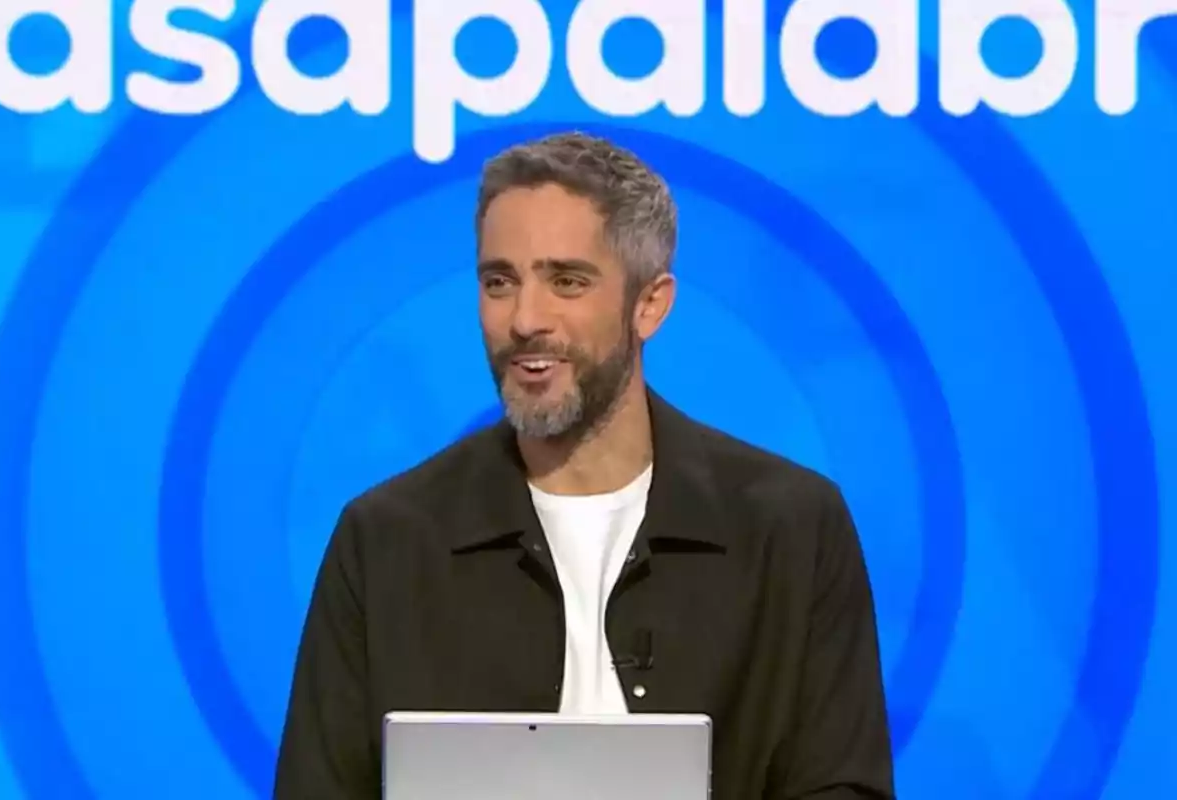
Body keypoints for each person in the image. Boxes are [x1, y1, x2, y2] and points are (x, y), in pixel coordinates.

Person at [272, 131, 895, 799]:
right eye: (499, 282)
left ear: (649, 305)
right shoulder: (387, 539)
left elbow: (842, 785)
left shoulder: (790, 528)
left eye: (566, 280)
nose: (525, 319)